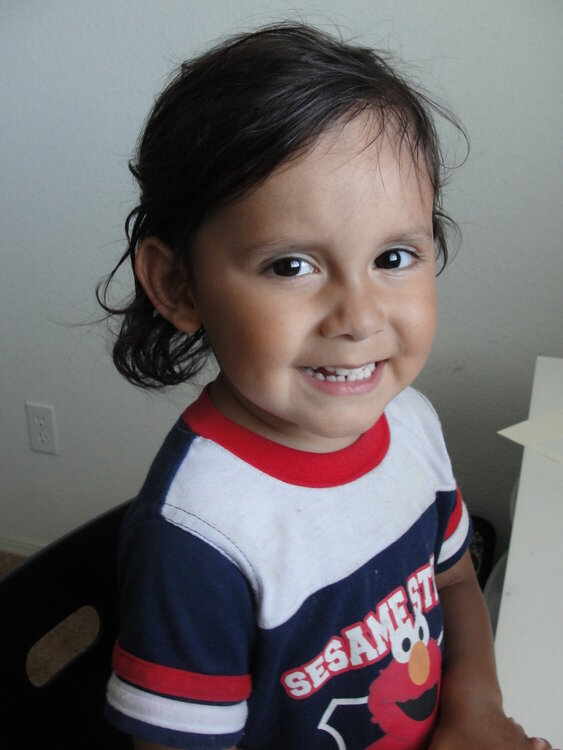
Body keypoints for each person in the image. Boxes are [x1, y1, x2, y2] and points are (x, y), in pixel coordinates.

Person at [99, 23, 553, 750]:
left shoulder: (409, 423)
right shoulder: (197, 537)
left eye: (394, 255)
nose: (359, 316)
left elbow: (457, 584)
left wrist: (475, 714)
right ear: (178, 285)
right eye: (290, 267)